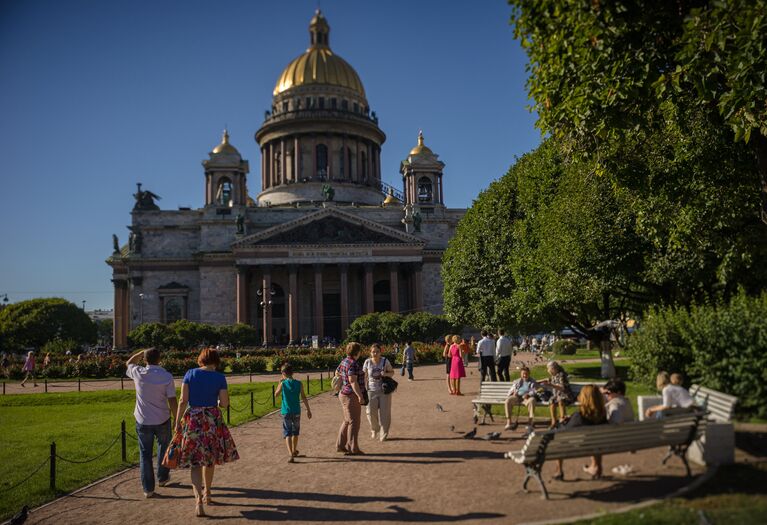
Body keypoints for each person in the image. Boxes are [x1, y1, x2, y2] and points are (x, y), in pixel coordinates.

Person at [174, 348, 239, 517]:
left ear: (201, 359)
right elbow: (224, 403)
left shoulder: (190, 373)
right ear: (216, 361)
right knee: (209, 459)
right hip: (211, 420)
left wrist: (177, 422)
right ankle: (208, 493)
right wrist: (216, 401)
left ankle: (198, 501)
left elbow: (182, 400)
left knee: (195, 462)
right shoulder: (219, 377)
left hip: (193, 419)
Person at [126, 348, 178, 498]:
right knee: (164, 447)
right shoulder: (166, 376)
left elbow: (128, 363)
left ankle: (148, 489)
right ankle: (162, 477)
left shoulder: (138, 372)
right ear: (160, 359)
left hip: (143, 419)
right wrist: (177, 418)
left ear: (145, 360)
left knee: (145, 454)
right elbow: (172, 399)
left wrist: (139, 353)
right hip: (162, 418)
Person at [552, 384, 608, 480]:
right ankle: (597, 467)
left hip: (577, 445)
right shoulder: (603, 416)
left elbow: (565, 431)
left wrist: (562, 422)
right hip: (595, 444)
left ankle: (559, 471)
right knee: (595, 440)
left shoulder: (579, 416)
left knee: (559, 439)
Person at [274, 362, 312, 463]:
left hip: (286, 411)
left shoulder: (283, 383)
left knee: (287, 433)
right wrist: (308, 409)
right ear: (292, 372)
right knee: (295, 432)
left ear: (284, 373)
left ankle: (291, 454)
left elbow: (276, 395)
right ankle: (294, 450)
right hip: (296, 411)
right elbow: (303, 397)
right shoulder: (299, 384)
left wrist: (279, 383)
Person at [336, 342, 367, 455]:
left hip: (343, 393)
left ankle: (340, 445)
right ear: (357, 352)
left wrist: (342, 380)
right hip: (351, 395)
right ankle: (353, 448)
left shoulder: (344, 361)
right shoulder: (353, 363)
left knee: (347, 421)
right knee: (354, 422)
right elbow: (353, 381)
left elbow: (337, 372)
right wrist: (360, 396)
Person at [363, 344, 395, 441]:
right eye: (373, 352)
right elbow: (364, 376)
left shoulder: (385, 361)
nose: (375, 353)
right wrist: (363, 388)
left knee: (385, 413)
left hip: (384, 391)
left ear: (380, 352)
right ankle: (375, 429)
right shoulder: (367, 362)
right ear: (370, 353)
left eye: (377, 351)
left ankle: (384, 433)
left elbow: (392, 372)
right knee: (370, 412)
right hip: (371, 390)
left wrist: (385, 374)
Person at [504, 366, 538, 436]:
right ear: (521, 374)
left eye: (526, 374)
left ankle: (530, 423)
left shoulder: (532, 381)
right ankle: (509, 422)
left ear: (529, 374)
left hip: (526, 398)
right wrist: (513, 393)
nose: (525, 375)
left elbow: (534, 391)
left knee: (532, 400)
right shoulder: (517, 381)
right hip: (517, 397)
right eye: (523, 374)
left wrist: (528, 394)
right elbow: (510, 391)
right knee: (508, 401)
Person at [539, 361, 573, 428]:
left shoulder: (562, 375)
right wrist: (537, 381)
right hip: (557, 396)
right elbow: (547, 379)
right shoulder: (554, 376)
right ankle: (554, 422)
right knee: (552, 401)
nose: (548, 370)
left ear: (554, 368)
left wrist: (551, 385)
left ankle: (563, 419)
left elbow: (562, 387)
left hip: (566, 395)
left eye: (549, 369)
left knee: (560, 400)